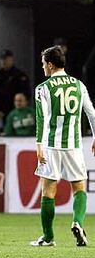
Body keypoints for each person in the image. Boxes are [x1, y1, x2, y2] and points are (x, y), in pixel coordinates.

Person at [31, 46, 95, 247]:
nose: (43, 68)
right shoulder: (78, 85)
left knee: (48, 191)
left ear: (50, 64)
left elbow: (41, 119)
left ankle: (48, 237)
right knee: (79, 187)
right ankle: (78, 222)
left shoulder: (43, 88)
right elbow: (91, 113)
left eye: (43, 64)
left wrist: (39, 145)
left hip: (51, 145)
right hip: (73, 145)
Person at [0, 49, 30, 118]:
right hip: (2, 110)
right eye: (2, 59)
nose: (3, 61)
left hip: (16, 109)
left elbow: (26, 93)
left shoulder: (19, 75)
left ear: (11, 59)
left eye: (6, 59)